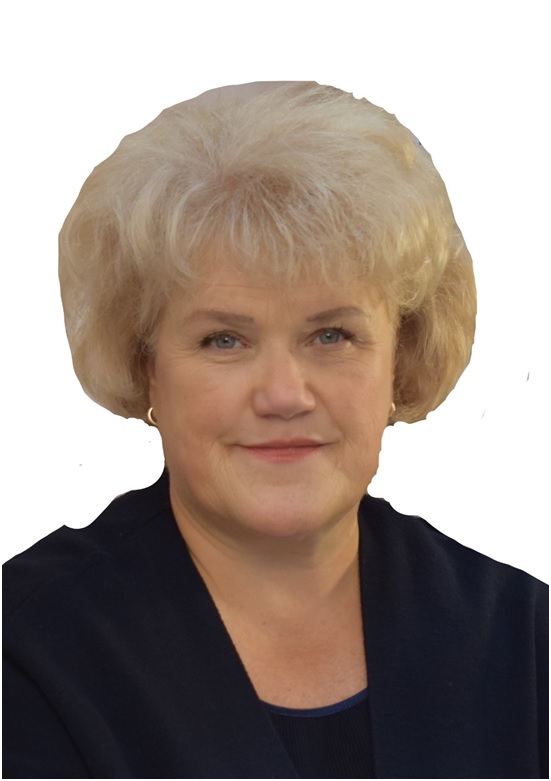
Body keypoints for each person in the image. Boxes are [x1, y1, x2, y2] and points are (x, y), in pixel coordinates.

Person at [3, 81, 547, 780]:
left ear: (400, 358)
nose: (284, 395)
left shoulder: (524, 643)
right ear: (146, 370)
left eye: (331, 334)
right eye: (224, 340)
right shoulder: (26, 651)